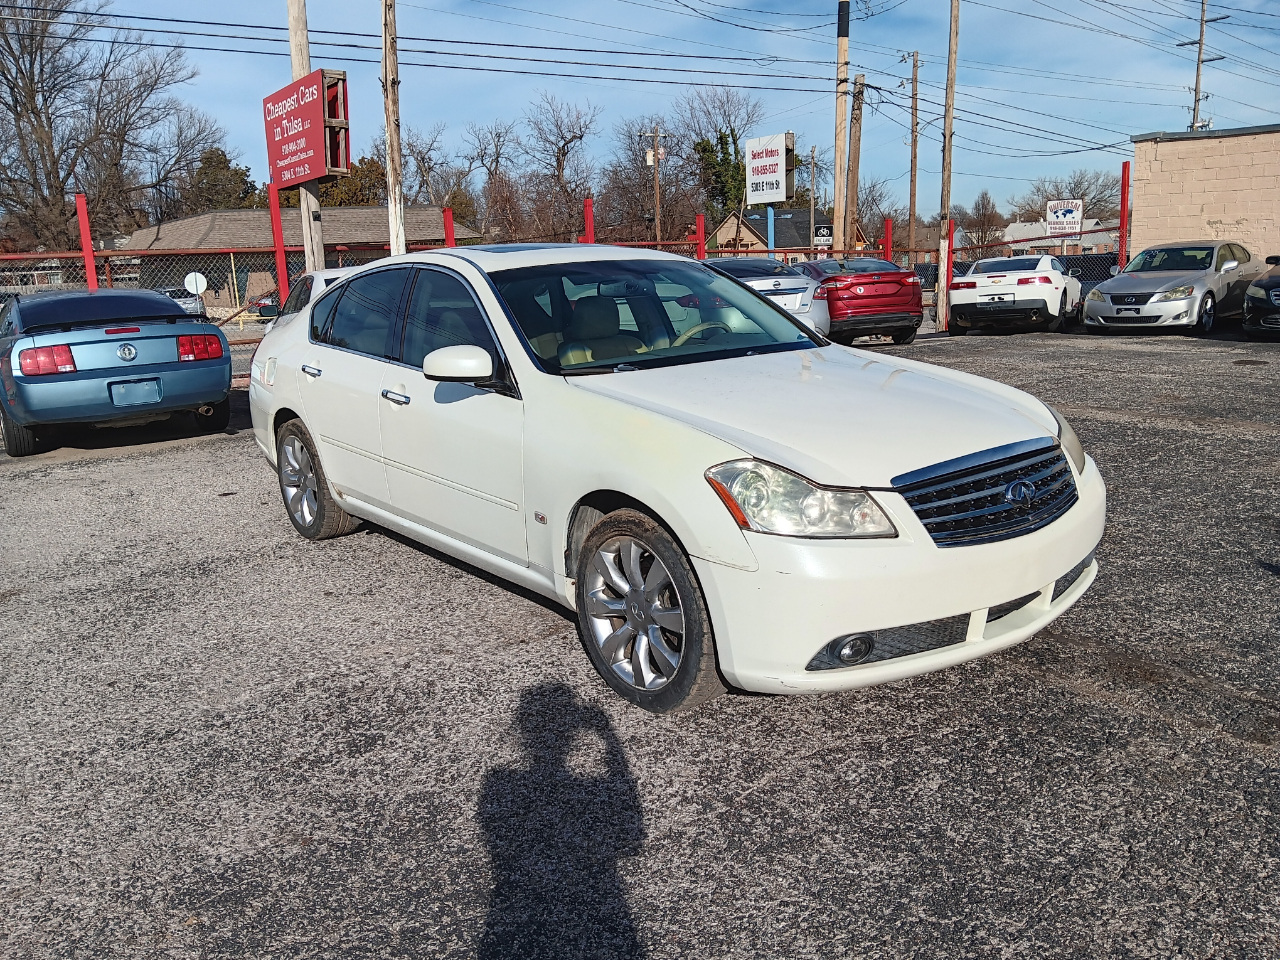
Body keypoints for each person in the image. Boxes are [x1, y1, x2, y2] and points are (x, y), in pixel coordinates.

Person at [478, 683, 645, 959]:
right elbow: (630, 836)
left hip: (515, 907)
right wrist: (608, 737)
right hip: (601, 902)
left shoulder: (497, 784)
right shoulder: (501, 782)